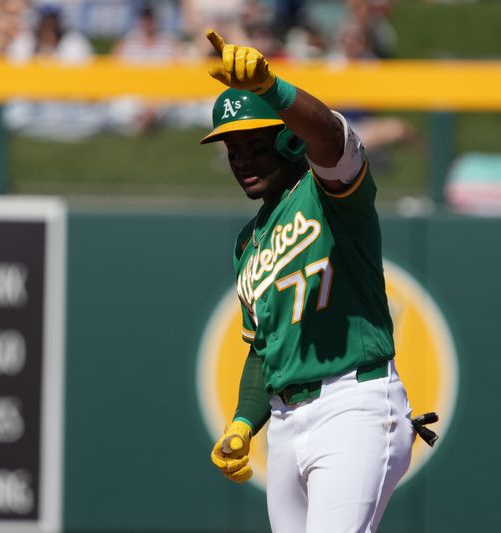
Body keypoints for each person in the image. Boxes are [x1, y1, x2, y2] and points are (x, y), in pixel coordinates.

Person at [202, 30, 414, 533]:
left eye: (254, 144)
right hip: (283, 425)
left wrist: (274, 89)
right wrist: (241, 422)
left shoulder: (331, 190)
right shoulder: (247, 244)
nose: (242, 160)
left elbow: (332, 137)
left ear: (289, 138)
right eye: (233, 149)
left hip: (353, 406)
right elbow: (263, 348)